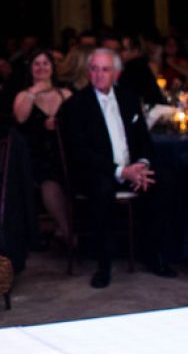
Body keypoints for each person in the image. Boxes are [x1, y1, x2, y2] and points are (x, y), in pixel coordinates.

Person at [59, 48, 176, 288]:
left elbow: (144, 139)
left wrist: (141, 166)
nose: (99, 74)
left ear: (116, 74)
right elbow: (80, 153)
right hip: (98, 172)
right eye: (94, 69)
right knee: (101, 190)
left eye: (105, 69)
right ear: (88, 72)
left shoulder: (128, 98)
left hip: (131, 169)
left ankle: (155, 256)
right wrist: (121, 171)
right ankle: (104, 266)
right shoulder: (76, 105)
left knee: (164, 182)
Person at [13, 49, 72, 246]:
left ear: (52, 68)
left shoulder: (66, 93)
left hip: (64, 152)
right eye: (36, 64)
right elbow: (20, 118)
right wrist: (34, 92)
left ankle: (68, 230)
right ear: (30, 68)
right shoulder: (23, 95)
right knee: (48, 180)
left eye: (45, 63)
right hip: (34, 156)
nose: (41, 68)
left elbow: (79, 125)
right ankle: (68, 233)